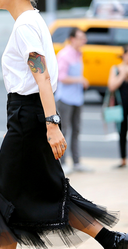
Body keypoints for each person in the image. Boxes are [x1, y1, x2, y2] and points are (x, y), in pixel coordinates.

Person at [0, 0, 128, 249]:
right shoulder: (32, 21)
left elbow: (40, 73)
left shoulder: (25, 25)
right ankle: (113, 241)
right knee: (46, 189)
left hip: (28, 116)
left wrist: (52, 123)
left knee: (1, 186)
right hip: (26, 115)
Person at [55, 28, 92, 174]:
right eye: (81, 37)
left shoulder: (79, 54)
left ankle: (76, 162)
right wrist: (80, 80)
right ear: (72, 39)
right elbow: (61, 77)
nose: (84, 40)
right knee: (63, 132)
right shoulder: (65, 55)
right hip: (65, 99)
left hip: (77, 98)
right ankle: (62, 163)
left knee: (76, 130)